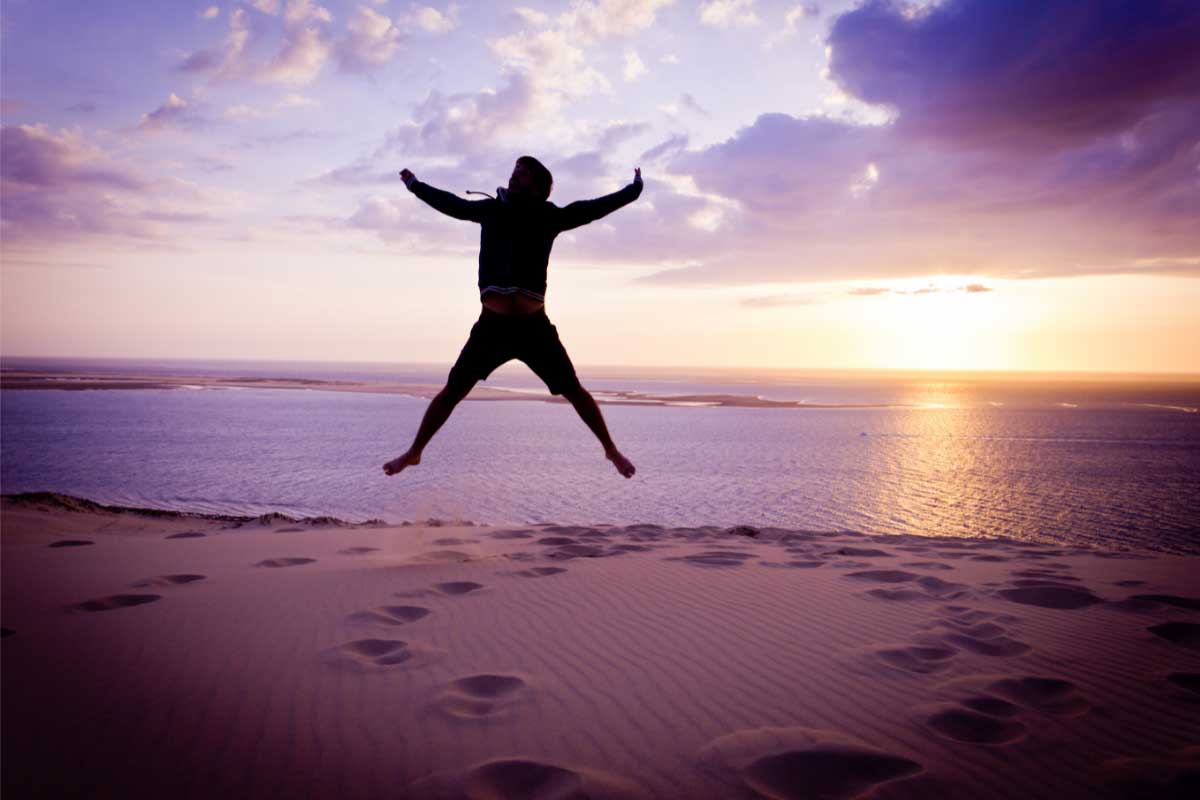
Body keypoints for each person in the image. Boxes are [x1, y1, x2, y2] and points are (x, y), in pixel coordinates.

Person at [383, 156, 643, 479]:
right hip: (492, 328)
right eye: (514, 172)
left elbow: (591, 209)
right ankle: (414, 452)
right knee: (453, 391)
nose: (514, 177)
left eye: (522, 174)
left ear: (538, 186)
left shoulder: (550, 217)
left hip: (534, 329)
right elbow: (452, 205)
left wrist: (632, 191)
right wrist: (415, 185)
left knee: (574, 390)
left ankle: (611, 450)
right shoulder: (490, 210)